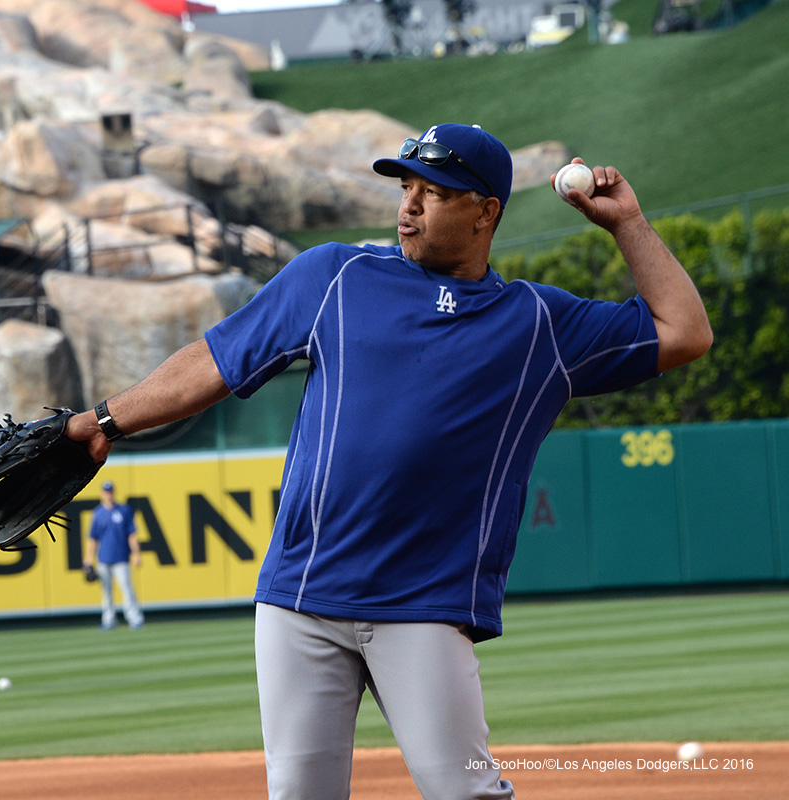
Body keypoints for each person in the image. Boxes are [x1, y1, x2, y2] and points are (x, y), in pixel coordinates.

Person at [65, 123, 712, 799]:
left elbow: (685, 332)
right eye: (406, 186)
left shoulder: (537, 324)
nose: (408, 205)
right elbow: (215, 361)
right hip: (301, 600)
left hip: (424, 607)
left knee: (466, 794)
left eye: (434, 192)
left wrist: (628, 223)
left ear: (485, 212)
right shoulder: (335, 276)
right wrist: (105, 421)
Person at [83, 481, 145, 631]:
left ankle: (134, 618)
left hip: (121, 558)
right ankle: (109, 620)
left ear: (114, 493)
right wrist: (88, 559)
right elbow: (93, 539)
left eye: (110, 492)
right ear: (102, 494)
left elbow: (132, 535)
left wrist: (136, 554)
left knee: (127, 589)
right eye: (106, 492)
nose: (108, 495)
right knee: (106, 592)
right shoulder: (98, 513)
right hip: (103, 559)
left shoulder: (124, 510)